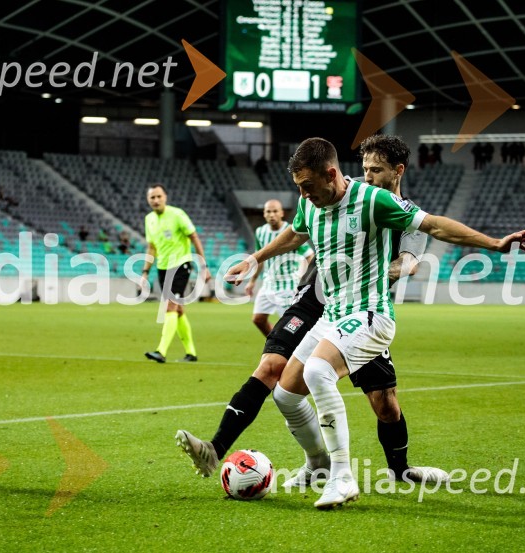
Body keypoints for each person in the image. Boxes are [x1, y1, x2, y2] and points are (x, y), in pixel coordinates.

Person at [225, 137, 525, 508]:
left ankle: (344, 477)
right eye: (299, 188)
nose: (304, 195)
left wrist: (497, 244)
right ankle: (320, 466)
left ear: (330, 174)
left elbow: (434, 227)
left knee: (323, 375)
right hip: (332, 315)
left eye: (308, 186)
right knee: (286, 394)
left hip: (371, 314)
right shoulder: (312, 205)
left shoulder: (376, 201)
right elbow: (295, 233)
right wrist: (255, 259)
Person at [176, 135, 448, 498]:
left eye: (376, 170)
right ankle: (222, 450)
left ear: (397, 172)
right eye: (364, 168)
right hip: (314, 299)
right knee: (273, 367)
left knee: (384, 403)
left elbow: (412, 258)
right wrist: (263, 258)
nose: (367, 176)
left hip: (360, 307)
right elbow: (305, 226)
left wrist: (389, 270)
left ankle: (400, 470)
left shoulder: (399, 212)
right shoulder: (342, 192)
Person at [142, 184, 211, 363]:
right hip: (162, 267)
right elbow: (151, 247)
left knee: (170, 306)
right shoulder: (149, 219)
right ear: (148, 200)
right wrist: (145, 272)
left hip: (181, 264)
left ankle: (161, 351)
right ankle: (191, 353)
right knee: (178, 310)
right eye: (152, 198)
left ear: (165, 197)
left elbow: (194, 236)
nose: (156, 200)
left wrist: (203, 266)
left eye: (159, 196)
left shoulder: (177, 214)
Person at [246, 199, 314, 336]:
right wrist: (252, 281)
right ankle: (276, 345)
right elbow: (260, 259)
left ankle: (294, 350)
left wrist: (306, 279)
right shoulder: (260, 232)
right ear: (264, 214)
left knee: (291, 325)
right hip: (268, 284)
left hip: (288, 286)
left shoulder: (291, 231)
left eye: (275, 211)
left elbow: (310, 255)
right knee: (258, 319)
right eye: (268, 212)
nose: (272, 215)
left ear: (282, 213)